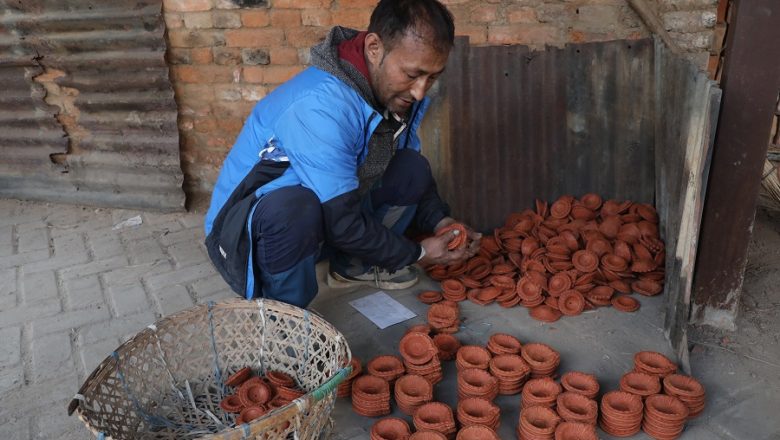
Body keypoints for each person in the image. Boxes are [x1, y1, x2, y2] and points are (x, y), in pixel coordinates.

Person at [204, 0, 481, 308]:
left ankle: (352, 265)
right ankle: (285, 314)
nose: (420, 90)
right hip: (243, 238)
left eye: (432, 77)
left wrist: (440, 221)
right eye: (412, 74)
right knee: (294, 208)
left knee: (411, 167)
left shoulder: (390, 95)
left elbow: (408, 172)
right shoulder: (320, 106)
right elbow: (343, 222)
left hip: (321, 218)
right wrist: (418, 253)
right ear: (374, 48)